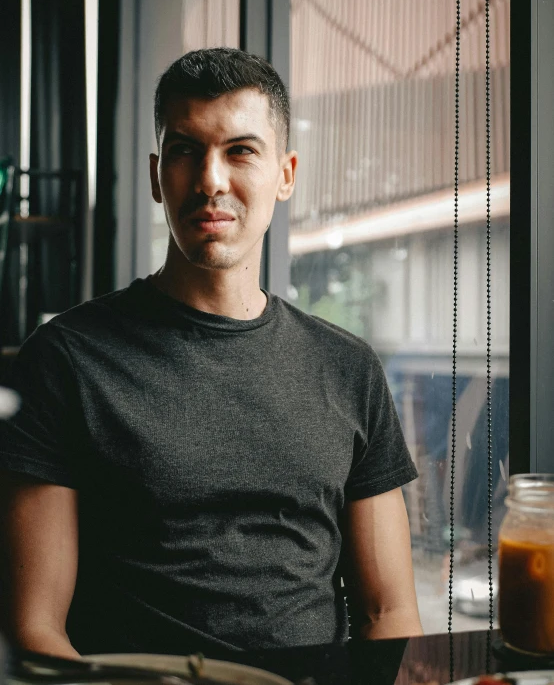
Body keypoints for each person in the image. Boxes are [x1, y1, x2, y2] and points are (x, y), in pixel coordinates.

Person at [0, 48, 422, 659]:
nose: (210, 180)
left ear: (286, 174)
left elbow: (390, 612)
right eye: (185, 150)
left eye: (241, 151)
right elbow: (35, 629)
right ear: (156, 175)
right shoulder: (67, 359)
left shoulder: (347, 367)